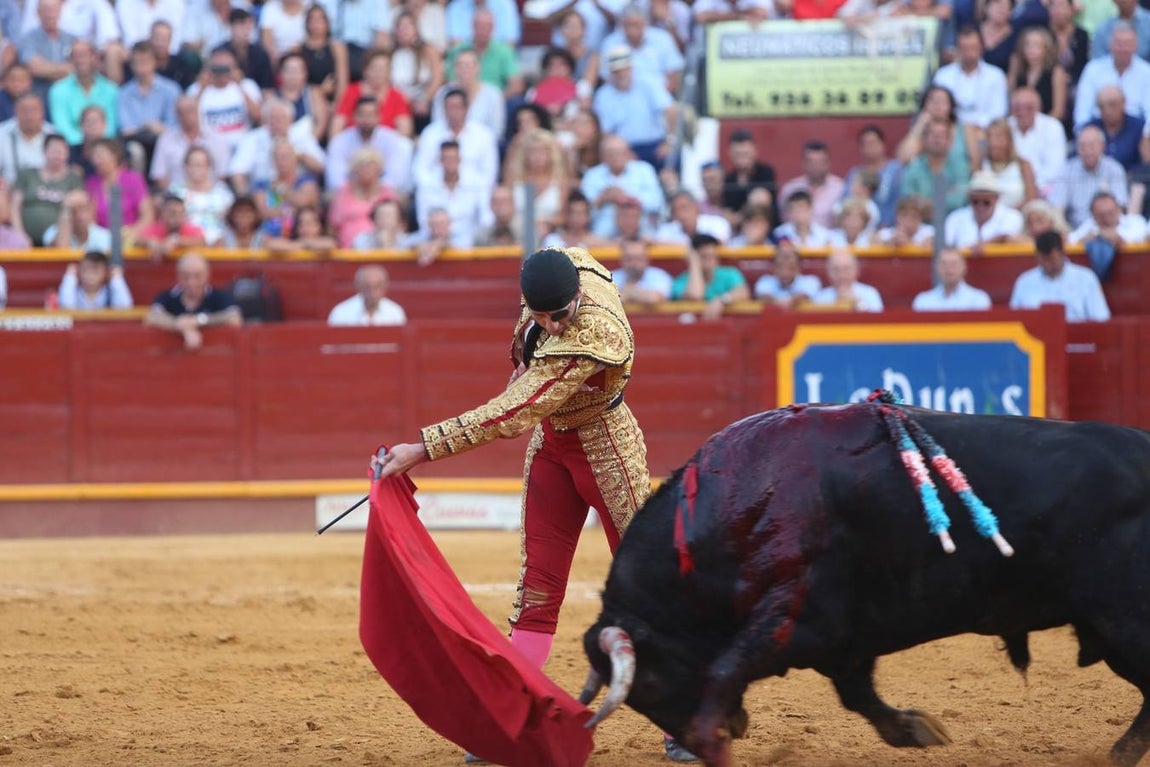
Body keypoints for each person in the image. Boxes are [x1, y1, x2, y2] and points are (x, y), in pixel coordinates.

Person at [371, 245, 690, 760]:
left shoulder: (594, 334)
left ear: (578, 299)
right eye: (540, 314)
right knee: (537, 586)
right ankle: (510, 717)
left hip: (607, 448)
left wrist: (423, 447)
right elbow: (531, 335)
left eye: (559, 315)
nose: (553, 326)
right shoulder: (569, 265)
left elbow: (511, 415)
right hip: (553, 449)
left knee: (651, 584)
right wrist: (522, 354)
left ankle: (689, 715)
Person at [144, 252, 244, 350]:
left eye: (198, 276)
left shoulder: (220, 296)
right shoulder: (167, 296)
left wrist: (199, 320)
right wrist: (178, 325)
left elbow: (234, 317)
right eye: (185, 276)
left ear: (207, 275)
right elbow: (151, 317)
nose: (191, 282)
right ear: (178, 276)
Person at [1009, 229, 1111, 321]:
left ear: (1062, 253)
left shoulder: (1086, 278)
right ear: (1037, 256)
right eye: (1044, 259)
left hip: (1076, 339)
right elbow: (1014, 320)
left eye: (1052, 260)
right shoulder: (1025, 282)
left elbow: (1100, 318)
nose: (1048, 264)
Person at [1049, 125, 1128, 229]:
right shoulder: (1066, 170)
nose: (1087, 151)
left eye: (1092, 146)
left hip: (1108, 229)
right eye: (1082, 146)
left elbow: (1120, 207)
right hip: (1075, 231)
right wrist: (1066, 233)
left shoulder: (1114, 169)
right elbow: (1057, 208)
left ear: (1102, 146)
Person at [932, 26, 1009, 129]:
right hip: (950, 132)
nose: (969, 53)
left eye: (973, 48)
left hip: (985, 132)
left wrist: (973, 127)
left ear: (981, 48)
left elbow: (998, 112)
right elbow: (937, 109)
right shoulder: (943, 75)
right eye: (964, 48)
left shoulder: (996, 75)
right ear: (957, 49)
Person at [11, 133, 80, 245]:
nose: (57, 156)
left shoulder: (73, 179)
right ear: (44, 151)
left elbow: (79, 200)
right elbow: (14, 206)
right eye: (54, 151)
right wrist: (19, 235)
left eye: (61, 152)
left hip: (58, 238)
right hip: (24, 239)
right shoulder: (27, 174)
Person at [670, 232, 750, 319]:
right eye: (704, 257)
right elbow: (695, 296)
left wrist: (721, 300)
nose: (709, 262)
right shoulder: (680, 281)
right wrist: (694, 264)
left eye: (712, 256)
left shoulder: (730, 274)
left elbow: (743, 292)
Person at [943, 170, 1025, 250]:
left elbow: (1006, 237)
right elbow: (945, 243)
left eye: (986, 202)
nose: (980, 206)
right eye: (975, 202)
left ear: (996, 199)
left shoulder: (1012, 216)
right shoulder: (955, 217)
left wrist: (983, 246)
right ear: (969, 199)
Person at [777, 140, 845, 229]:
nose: (816, 166)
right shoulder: (790, 189)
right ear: (803, 163)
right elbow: (783, 220)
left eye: (820, 162)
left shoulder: (840, 188)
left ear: (828, 163)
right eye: (811, 162)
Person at [911, 248, 992, 310]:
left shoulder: (978, 299)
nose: (949, 269)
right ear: (936, 268)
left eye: (954, 264)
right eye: (943, 264)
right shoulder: (923, 301)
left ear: (964, 268)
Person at [327, 264, 407, 326]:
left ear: (385, 287)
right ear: (358, 286)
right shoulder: (341, 312)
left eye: (377, 287)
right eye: (367, 287)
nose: (373, 293)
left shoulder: (395, 312)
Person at [753, 238, 821, 307]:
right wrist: (783, 302)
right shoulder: (765, 281)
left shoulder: (810, 281)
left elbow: (805, 296)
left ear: (798, 265)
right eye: (781, 256)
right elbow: (763, 296)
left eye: (789, 257)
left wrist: (790, 301)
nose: (785, 261)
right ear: (773, 265)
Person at [810, 249, 884, 311]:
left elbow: (879, 323)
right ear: (828, 273)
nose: (841, 275)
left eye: (846, 269)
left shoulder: (870, 293)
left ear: (856, 271)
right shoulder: (820, 298)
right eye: (836, 270)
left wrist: (858, 304)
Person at [56, 250, 133, 310]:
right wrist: (70, 278)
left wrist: (117, 279)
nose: (90, 275)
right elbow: (66, 306)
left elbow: (124, 307)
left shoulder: (109, 293)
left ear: (106, 273)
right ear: (79, 272)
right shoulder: (74, 293)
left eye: (95, 271)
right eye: (85, 270)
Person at [611, 236, 672, 306]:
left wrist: (628, 292)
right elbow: (607, 301)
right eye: (629, 258)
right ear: (622, 260)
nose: (634, 263)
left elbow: (654, 298)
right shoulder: (611, 277)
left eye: (638, 258)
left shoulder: (660, 276)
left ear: (646, 259)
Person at [44, 188, 111, 250]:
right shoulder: (52, 232)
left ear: (92, 211)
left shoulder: (105, 236)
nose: (79, 216)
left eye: (84, 209)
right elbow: (60, 250)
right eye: (74, 211)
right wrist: (66, 208)